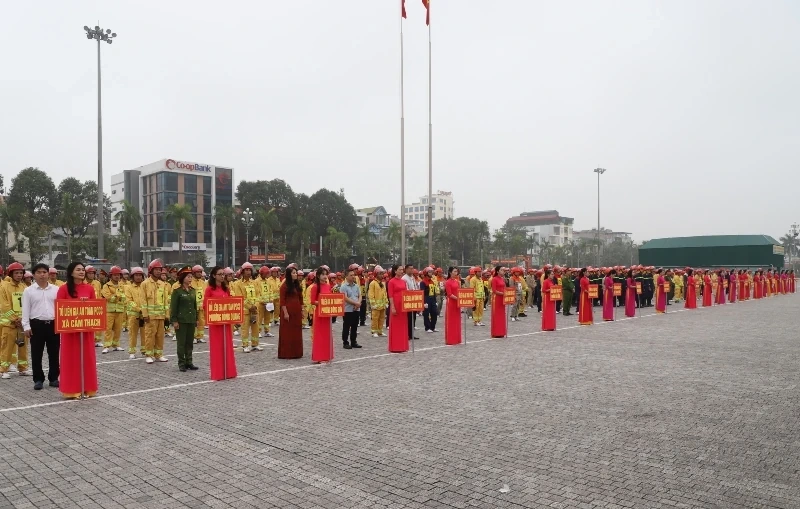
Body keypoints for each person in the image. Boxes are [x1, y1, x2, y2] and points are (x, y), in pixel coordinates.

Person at [56, 262, 98, 399]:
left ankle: (88, 388)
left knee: (87, 358)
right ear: (71, 272)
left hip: (86, 330)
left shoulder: (90, 289)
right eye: (78, 270)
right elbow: (59, 308)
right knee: (71, 359)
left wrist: (87, 304)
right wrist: (76, 305)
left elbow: (96, 307)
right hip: (70, 331)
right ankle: (71, 390)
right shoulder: (63, 289)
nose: (81, 272)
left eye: (83, 270)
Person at [22, 263, 60, 390]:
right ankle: (38, 379)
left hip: (53, 324)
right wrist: (26, 326)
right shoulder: (28, 291)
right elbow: (25, 310)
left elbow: (61, 307)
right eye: (39, 272)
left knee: (54, 353)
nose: (42, 274)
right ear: (34, 275)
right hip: (36, 325)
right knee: (36, 353)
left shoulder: (56, 289)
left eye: (44, 272)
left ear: (48, 274)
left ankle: (54, 378)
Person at [204, 267, 238, 380]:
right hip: (215, 322)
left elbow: (231, 303)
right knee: (217, 347)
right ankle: (218, 373)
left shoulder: (226, 289)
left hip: (226, 322)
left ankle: (229, 372)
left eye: (223, 274)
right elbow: (205, 305)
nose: (222, 276)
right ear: (214, 276)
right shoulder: (209, 289)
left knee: (227, 345)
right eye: (220, 274)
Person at [0, 262, 30, 378]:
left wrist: (24, 319)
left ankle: (22, 368)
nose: (19, 275)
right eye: (16, 273)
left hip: (23, 323)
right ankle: (4, 370)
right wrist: (15, 319)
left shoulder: (25, 288)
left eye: (21, 273)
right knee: (7, 347)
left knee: (23, 347)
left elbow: (28, 304)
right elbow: (4, 305)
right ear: (11, 274)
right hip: (10, 323)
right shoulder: (4, 287)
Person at [170, 267, 199, 372]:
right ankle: (181, 363)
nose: (190, 278)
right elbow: (174, 307)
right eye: (188, 277)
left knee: (189, 343)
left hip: (191, 320)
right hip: (181, 320)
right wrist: (174, 321)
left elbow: (195, 305)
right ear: (182, 278)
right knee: (181, 343)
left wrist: (196, 318)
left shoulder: (192, 291)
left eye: (191, 276)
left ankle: (189, 362)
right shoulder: (177, 291)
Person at [142, 259, 169, 364]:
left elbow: (165, 301)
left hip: (161, 316)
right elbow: (143, 301)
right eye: (156, 270)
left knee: (160, 336)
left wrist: (167, 315)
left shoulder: (163, 284)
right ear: (151, 270)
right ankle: (149, 355)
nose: (158, 272)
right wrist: (145, 314)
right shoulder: (145, 284)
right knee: (149, 336)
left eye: (159, 270)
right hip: (150, 316)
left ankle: (159, 354)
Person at [278, 266, 304, 359]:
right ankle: (287, 353)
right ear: (289, 275)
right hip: (288, 311)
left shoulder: (297, 285)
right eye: (293, 273)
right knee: (287, 332)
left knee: (296, 331)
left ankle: (297, 352)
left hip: (296, 311)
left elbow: (301, 299)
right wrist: (285, 313)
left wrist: (302, 310)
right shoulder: (284, 286)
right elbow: (282, 301)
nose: (295, 274)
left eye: (296, 273)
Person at [101, 266, 127, 354]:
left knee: (118, 329)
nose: (117, 277)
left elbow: (125, 297)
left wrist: (115, 296)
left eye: (118, 275)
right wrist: (117, 296)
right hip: (109, 311)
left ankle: (116, 345)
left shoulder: (122, 285)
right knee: (108, 329)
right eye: (115, 275)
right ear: (111, 276)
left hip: (119, 311)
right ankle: (106, 346)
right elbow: (108, 297)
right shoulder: (106, 286)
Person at [310, 267, 333, 363]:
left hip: (327, 313)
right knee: (320, 335)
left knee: (327, 335)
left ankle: (327, 355)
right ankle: (319, 356)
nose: (325, 276)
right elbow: (312, 301)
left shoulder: (328, 286)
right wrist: (321, 302)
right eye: (323, 274)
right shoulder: (315, 287)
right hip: (319, 314)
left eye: (326, 274)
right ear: (318, 276)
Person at [124, 267, 147, 359]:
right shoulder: (128, 287)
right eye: (136, 275)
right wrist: (139, 309)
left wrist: (145, 310)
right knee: (133, 334)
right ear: (132, 277)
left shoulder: (145, 286)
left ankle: (144, 350)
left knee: (145, 333)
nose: (138, 277)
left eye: (140, 275)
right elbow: (129, 301)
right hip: (134, 315)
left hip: (144, 314)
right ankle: (132, 351)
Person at [387, 265, 409, 353]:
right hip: (395, 304)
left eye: (402, 270)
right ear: (395, 271)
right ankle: (395, 346)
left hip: (403, 305)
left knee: (403, 325)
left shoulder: (403, 281)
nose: (401, 271)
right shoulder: (391, 282)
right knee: (395, 326)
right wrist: (392, 306)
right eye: (400, 270)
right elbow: (390, 296)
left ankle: (403, 345)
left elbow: (406, 292)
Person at [340, 269, 363, 349]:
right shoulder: (343, 286)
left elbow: (360, 295)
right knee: (346, 326)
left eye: (354, 275)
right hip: (348, 309)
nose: (353, 276)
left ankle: (353, 341)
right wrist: (355, 303)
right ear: (346, 276)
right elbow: (345, 298)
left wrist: (358, 303)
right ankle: (345, 342)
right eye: (351, 275)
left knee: (355, 326)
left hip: (356, 309)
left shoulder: (356, 286)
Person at [368, 266, 388, 337]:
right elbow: (371, 294)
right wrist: (373, 304)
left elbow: (385, 293)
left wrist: (386, 302)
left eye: (382, 274)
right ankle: (374, 331)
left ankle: (380, 331)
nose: (382, 275)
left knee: (382, 318)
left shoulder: (382, 283)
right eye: (380, 274)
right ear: (376, 274)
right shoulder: (373, 283)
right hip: (376, 305)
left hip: (382, 305)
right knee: (375, 318)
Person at [444, 267, 462, 346]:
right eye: (454, 271)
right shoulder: (447, 282)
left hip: (457, 303)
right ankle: (451, 339)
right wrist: (458, 298)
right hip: (451, 303)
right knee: (451, 321)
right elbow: (449, 294)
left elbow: (459, 291)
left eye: (456, 271)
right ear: (450, 272)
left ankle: (457, 338)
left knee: (457, 320)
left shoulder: (457, 281)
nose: (456, 273)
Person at [402, 265, 420, 340]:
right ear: (406, 269)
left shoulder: (412, 278)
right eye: (410, 268)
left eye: (413, 268)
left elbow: (415, 287)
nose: (412, 270)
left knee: (413, 318)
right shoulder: (404, 278)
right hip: (408, 300)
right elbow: (406, 290)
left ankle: (411, 334)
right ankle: (407, 334)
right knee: (408, 318)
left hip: (414, 299)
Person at [420, 267, 439, 333]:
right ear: (426, 273)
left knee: (434, 313)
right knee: (426, 314)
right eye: (430, 272)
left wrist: (435, 301)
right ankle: (427, 327)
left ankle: (432, 327)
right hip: (426, 298)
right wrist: (424, 302)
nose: (431, 273)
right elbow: (422, 292)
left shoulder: (432, 281)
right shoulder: (423, 282)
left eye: (431, 272)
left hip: (432, 298)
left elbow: (433, 292)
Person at [490, 266, 507, 338]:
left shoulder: (502, 279)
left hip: (502, 299)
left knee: (502, 315)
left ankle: (501, 332)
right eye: (501, 270)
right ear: (497, 271)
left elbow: (505, 288)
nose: (503, 271)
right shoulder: (494, 279)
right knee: (496, 315)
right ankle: (496, 332)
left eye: (503, 270)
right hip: (496, 299)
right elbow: (494, 290)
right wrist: (502, 293)